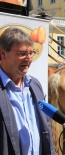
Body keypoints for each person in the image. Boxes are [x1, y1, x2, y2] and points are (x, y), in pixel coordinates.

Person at [0, 27, 56, 155]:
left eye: (31, 53)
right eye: (22, 53)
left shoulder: (34, 84)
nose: (29, 58)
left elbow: (45, 127)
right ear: (3, 54)